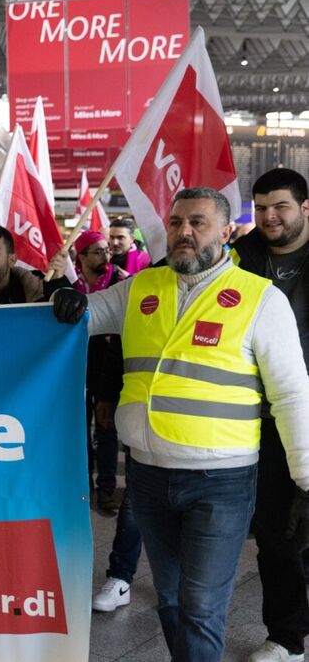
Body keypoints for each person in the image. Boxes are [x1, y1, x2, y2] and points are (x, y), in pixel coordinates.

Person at [53, 187, 309, 662]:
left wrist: (305, 479)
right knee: (170, 601)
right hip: (148, 478)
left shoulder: (260, 299)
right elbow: (80, 317)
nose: (183, 232)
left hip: (222, 483)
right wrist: (65, 297)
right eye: (175, 223)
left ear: (226, 232)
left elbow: (292, 394)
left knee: (201, 608)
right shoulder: (140, 287)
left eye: (198, 222)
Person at [232, 168, 309, 662]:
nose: (269, 217)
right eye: (260, 208)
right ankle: (286, 637)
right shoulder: (242, 256)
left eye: (279, 206)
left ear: (305, 208)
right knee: (278, 533)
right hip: (263, 417)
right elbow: (173, 267)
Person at [73, 230, 129, 515]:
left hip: (109, 370)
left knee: (107, 430)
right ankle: (83, 488)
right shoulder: (71, 286)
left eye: (106, 250)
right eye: (96, 251)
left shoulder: (122, 281)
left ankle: (107, 490)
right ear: (81, 257)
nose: (105, 255)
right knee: (78, 432)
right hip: (76, 370)